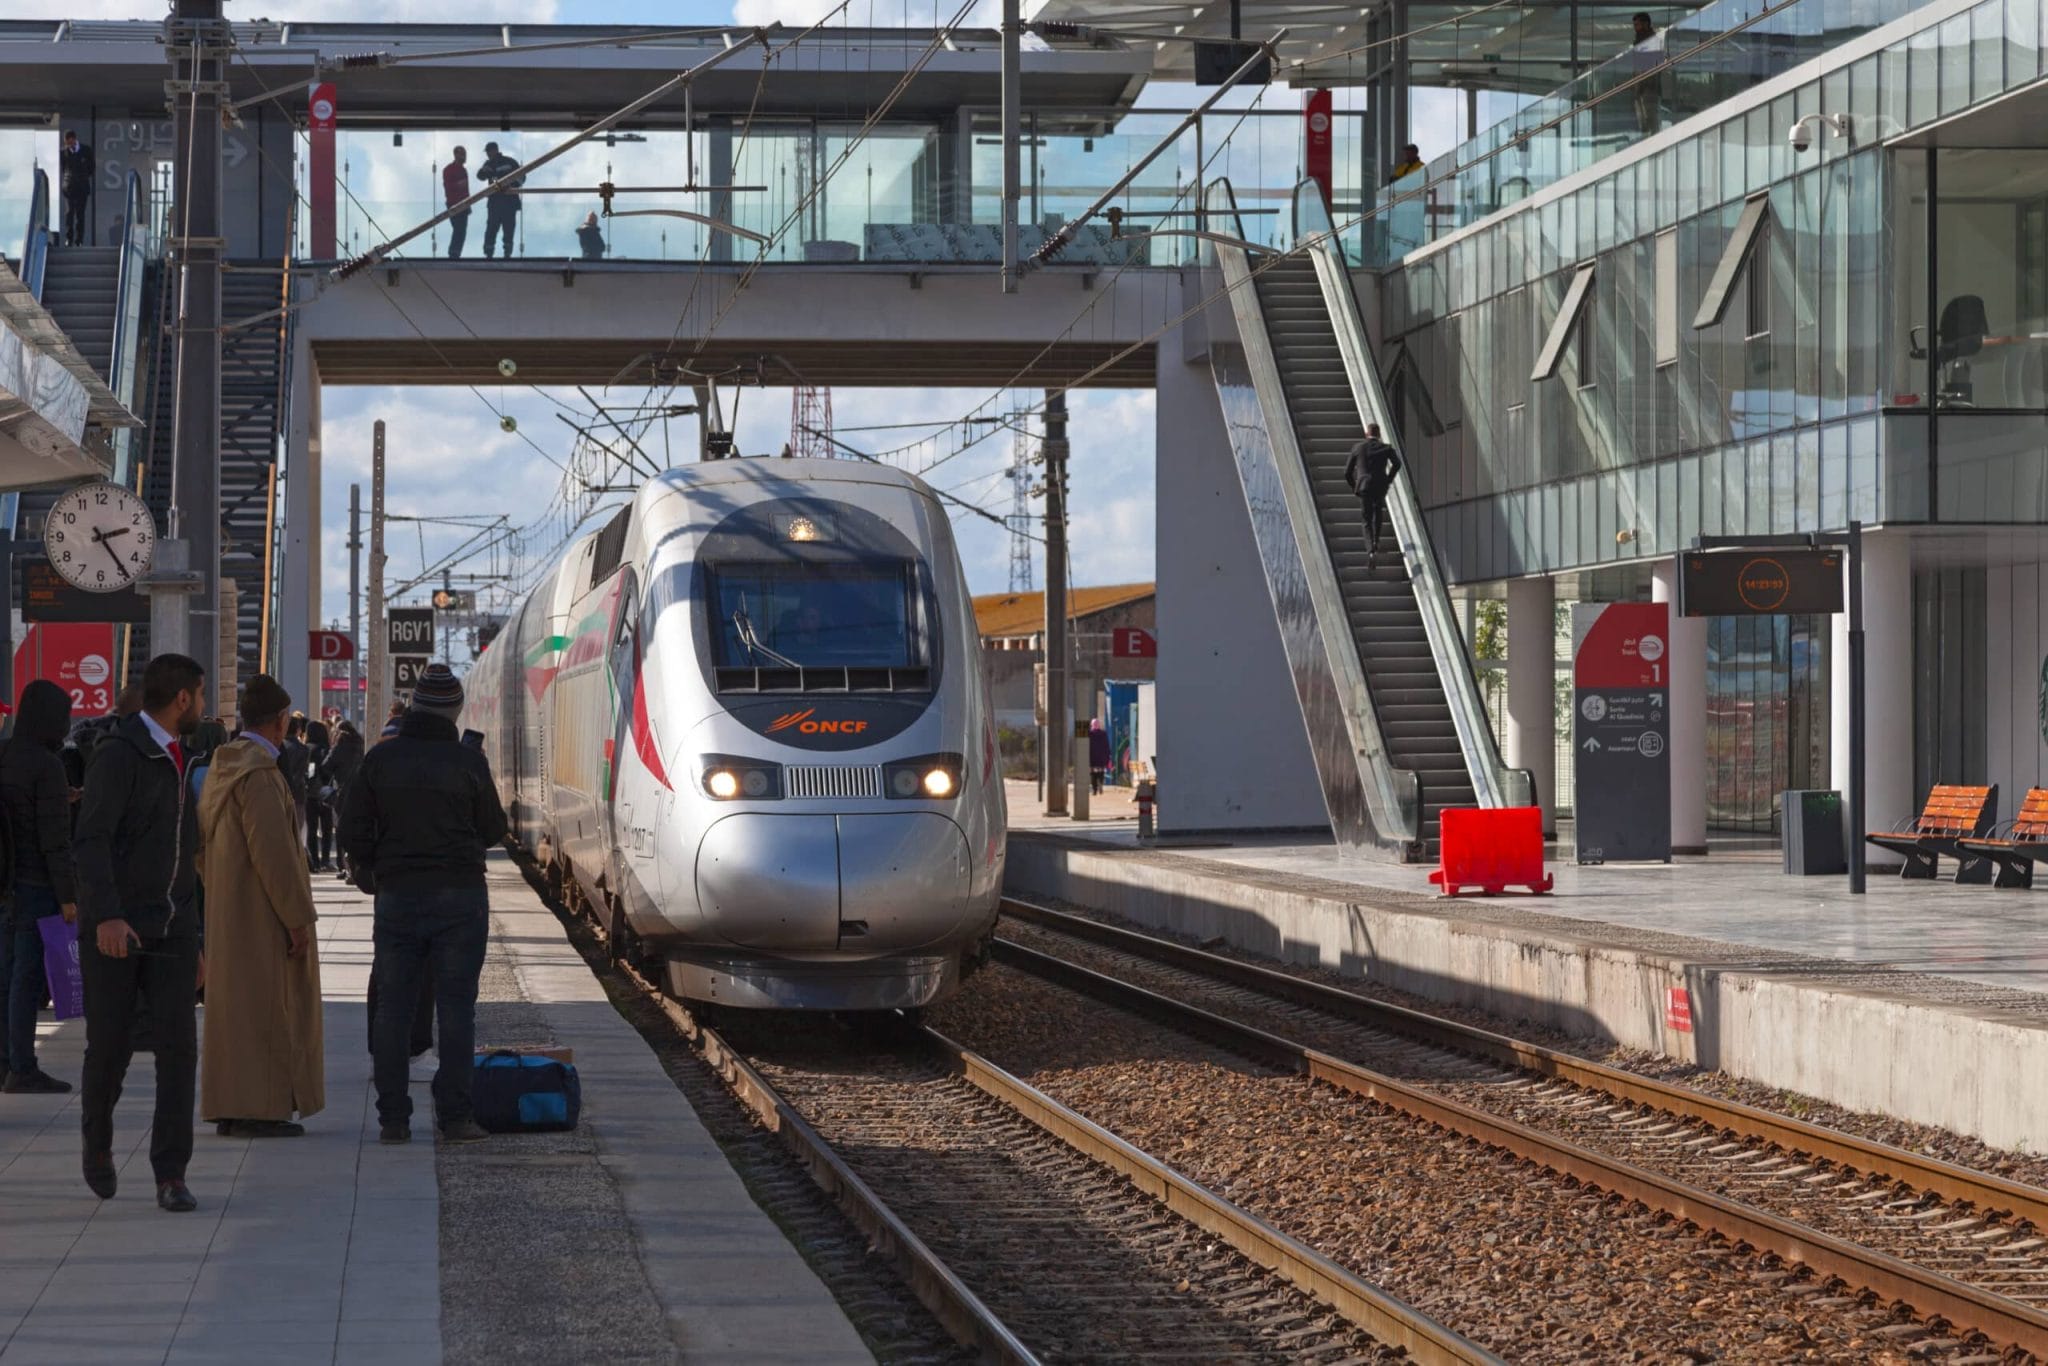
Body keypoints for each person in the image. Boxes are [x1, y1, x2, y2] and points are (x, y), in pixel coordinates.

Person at [341, 664, 507, 1146]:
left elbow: (350, 829)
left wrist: (377, 864)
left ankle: (393, 1119)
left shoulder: (380, 759)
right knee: (457, 1010)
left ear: (413, 707)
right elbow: (494, 829)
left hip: (399, 897)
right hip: (460, 898)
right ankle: (455, 1118)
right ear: (455, 711)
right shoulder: (468, 763)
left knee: (394, 1007)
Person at [74, 653, 206, 1212]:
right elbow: (92, 838)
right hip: (118, 930)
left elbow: (187, 855)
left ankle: (170, 1174)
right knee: (111, 1046)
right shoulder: (120, 755)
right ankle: (97, 1144)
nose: (202, 706)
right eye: (199, 696)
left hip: (173, 930)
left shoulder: (182, 755)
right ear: (182, 699)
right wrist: (105, 914)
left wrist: (198, 939)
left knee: (179, 1051)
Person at [198, 676, 323, 1140]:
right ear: (281, 722)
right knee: (270, 1012)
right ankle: (260, 1108)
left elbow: (200, 846)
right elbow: (275, 856)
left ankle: (230, 1105)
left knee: (234, 1014)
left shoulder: (221, 768)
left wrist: (223, 891)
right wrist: (297, 919)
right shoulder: (261, 777)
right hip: (263, 916)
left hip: (230, 911)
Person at [0, 681, 77, 1094]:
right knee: (26, 978)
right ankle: (23, 1066)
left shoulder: (6, 753)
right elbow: (53, 841)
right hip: (36, 883)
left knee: (6, 974)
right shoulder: (48, 766)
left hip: (5, 882)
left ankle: (5, 1061)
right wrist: (68, 896)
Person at [1344, 423, 1403, 573]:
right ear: (1379, 434)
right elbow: (1397, 463)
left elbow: (1346, 472)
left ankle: (1370, 550)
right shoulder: (1386, 448)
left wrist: (1354, 487)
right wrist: (1388, 479)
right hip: (1380, 485)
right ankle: (1377, 541)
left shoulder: (1358, 448)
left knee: (1366, 519)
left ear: (1366, 433)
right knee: (1378, 511)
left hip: (1364, 486)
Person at [321, 719, 365, 882]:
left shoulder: (339, 746)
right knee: (355, 829)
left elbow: (326, 766)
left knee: (340, 830)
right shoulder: (360, 745)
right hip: (358, 791)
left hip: (341, 793)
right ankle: (355, 867)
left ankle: (345, 866)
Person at [478, 142, 523, 260]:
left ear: (494, 150)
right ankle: (489, 254)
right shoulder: (489, 164)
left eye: (488, 152)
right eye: (487, 152)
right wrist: (484, 170)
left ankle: (507, 254)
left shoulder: (510, 162)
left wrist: (510, 185)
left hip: (509, 202)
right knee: (492, 229)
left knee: (508, 229)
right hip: (496, 203)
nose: (487, 154)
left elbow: (521, 178)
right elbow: (480, 176)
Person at [304, 715, 333, 871]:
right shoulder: (326, 749)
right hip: (325, 792)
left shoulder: (307, 748)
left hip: (310, 794)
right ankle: (326, 859)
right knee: (327, 828)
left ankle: (314, 860)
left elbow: (309, 771)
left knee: (312, 829)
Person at [280, 714, 311, 846]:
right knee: (297, 832)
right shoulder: (303, 749)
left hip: (278, 792)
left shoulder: (278, 747)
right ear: (298, 730)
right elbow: (301, 774)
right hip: (297, 794)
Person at [59, 130, 92, 248]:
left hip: (82, 188)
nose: (70, 146)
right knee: (69, 214)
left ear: (75, 139)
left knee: (80, 215)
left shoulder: (86, 150)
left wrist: (81, 176)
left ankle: (79, 240)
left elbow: (91, 168)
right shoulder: (63, 153)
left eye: (71, 143)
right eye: (67, 144)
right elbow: (64, 169)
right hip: (69, 188)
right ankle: (69, 239)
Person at [442, 145, 471, 259]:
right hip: (454, 203)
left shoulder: (463, 170)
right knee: (459, 229)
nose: (464, 156)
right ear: (456, 154)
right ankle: (454, 253)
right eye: (462, 154)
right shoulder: (449, 169)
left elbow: (465, 189)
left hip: (463, 203)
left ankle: (455, 253)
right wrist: (459, 185)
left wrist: (468, 203)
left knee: (461, 230)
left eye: (464, 154)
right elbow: (447, 186)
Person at [1087, 717, 1110, 796]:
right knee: (1101, 773)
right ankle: (1100, 783)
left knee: (1093, 774)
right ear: (1099, 725)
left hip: (1092, 757)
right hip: (1101, 758)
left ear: (1091, 725)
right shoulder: (1103, 734)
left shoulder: (1090, 734)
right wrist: (1107, 757)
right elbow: (1106, 746)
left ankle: (1094, 789)